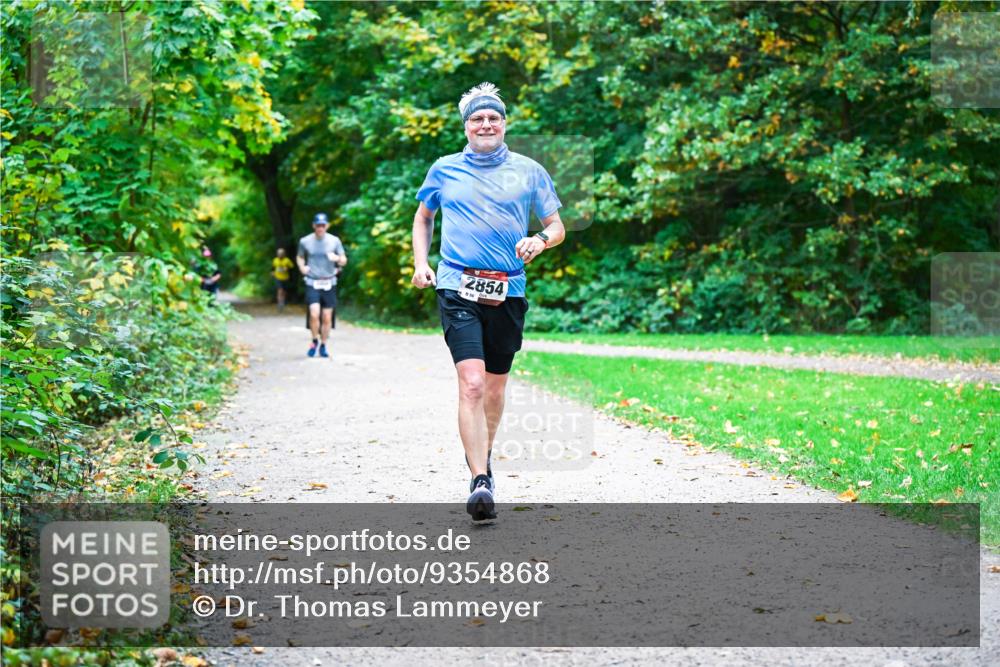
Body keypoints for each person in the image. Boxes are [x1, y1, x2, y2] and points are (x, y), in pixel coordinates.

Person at [410, 82, 566, 521]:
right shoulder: (444, 169)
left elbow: (557, 227)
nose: (485, 124)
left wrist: (539, 240)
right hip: (457, 285)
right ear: (466, 126)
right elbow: (424, 218)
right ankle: (479, 479)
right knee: (473, 383)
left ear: (504, 123)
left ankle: (485, 452)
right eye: (477, 118)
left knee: (495, 387)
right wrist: (422, 263)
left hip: (508, 290)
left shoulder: (529, 171)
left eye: (493, 117)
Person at [297, 213, 347, 358]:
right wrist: (302, 267)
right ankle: (314, 341)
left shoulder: (334, 241)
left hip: (329, 281)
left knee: (326, 317)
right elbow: (300, 256)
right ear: (313, 226)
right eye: (318, 225)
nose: (320, 228)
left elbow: (344, 260)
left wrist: (337, 258)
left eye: (323, 225)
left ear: (327, 226)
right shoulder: (305, 241)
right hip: (312, 281)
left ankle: (323, 345)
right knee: (314, 314)